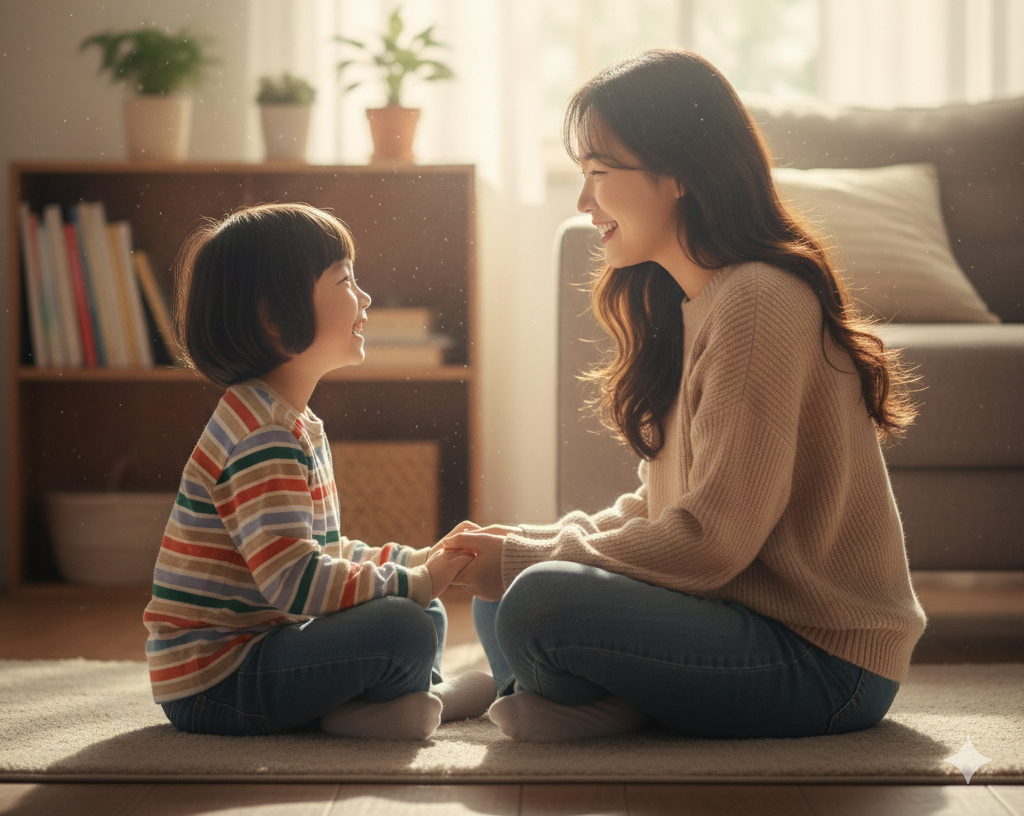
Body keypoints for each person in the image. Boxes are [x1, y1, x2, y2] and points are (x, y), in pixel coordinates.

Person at [446, 48, 928, 743]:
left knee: (538, 601)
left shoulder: (758, 302)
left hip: (823, 660)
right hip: (739, 621)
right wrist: (530, 543)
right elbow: (660, 507)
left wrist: (532, 561)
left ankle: (560, 695)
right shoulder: (692, 301)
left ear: (677, 174)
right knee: (508, 590)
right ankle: (559, 695)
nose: (583, 203)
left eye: (598, 175)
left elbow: (712, 542)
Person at [143, 203, 495, 739]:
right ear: (275, 318)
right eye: (346, 280)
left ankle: (386, 707)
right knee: (404, 621)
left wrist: (413, 562)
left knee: (422, 611)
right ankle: (391, 708)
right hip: (217, 684)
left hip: (261, 649)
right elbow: (294, 581)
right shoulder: (262, 436)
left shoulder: (288, 420)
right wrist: (414, 581)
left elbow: (321, 553)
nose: (366, 298)